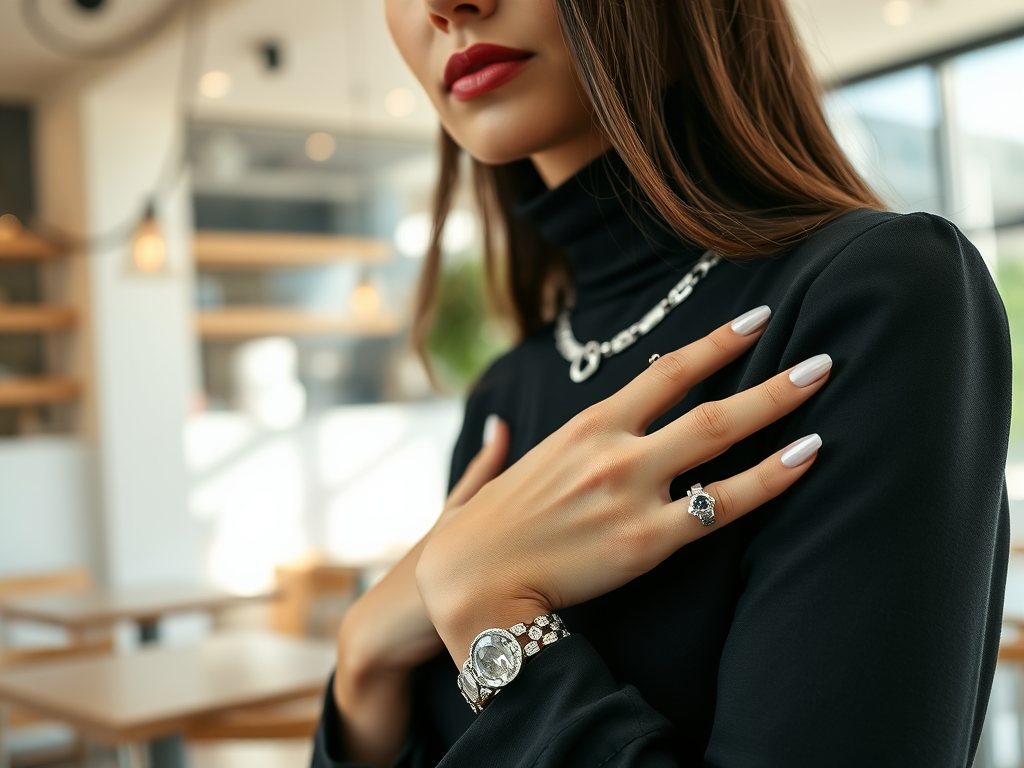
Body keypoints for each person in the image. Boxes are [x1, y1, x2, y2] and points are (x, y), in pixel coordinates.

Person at [313, 1, 1012, 766]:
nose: (448, 5)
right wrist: (362, 667)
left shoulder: (877, 294)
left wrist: (493, 621)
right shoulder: (504, 395)